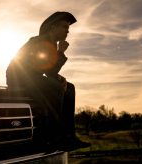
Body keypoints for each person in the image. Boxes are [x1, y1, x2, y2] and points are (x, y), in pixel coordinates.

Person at [6, 11, 91, 151]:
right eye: (64, 27)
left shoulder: (50, 43)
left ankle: (69, 136)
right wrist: (61, 54)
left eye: (68, 29)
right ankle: (53, 137)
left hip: (32, 77)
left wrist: (57, 75)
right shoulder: (40, 41)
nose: (67, 31)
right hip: (19, 78)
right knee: (55, 87)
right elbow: (47, 70)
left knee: (69, 87)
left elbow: (48, 71)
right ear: (53, 27)